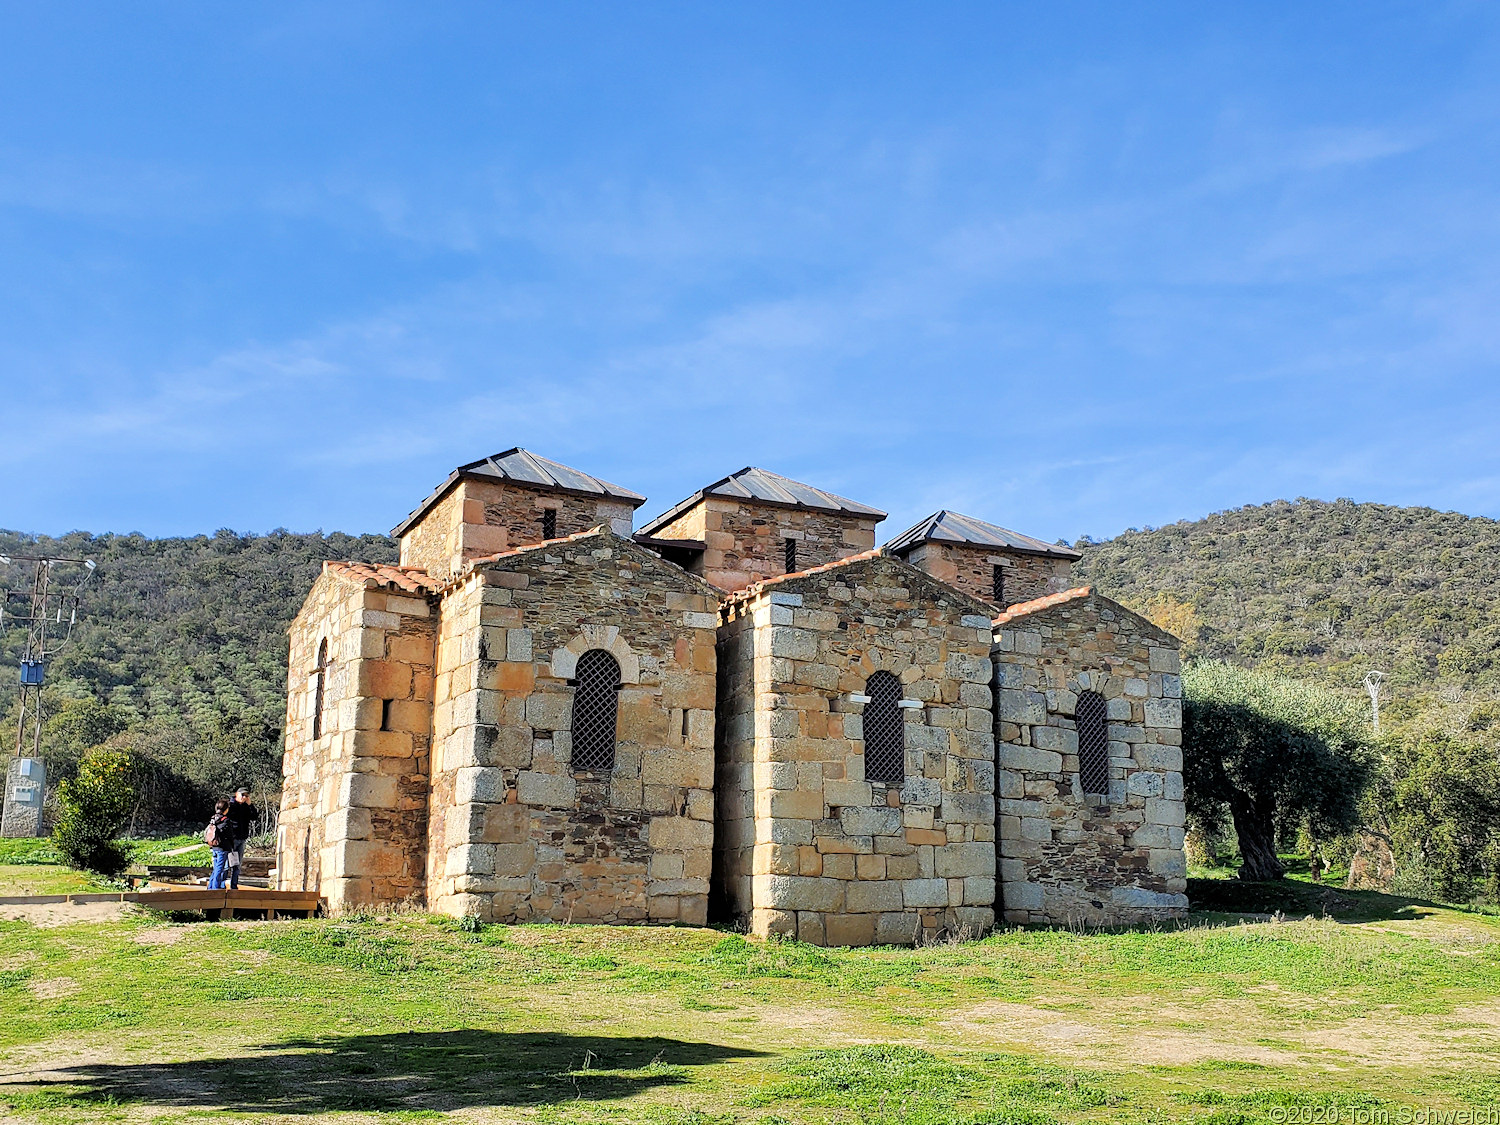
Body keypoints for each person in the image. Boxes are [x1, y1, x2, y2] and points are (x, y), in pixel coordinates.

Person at [225, 787, 256, 891]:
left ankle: (234, 885)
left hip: (242, 838)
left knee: (237, 864)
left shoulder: (246, 807)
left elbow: (254, 816)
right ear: (236, 794)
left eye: (246, 796)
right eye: (242, 795)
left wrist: (250, 805)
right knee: (227, 863)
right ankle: (221, 885)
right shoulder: (230, 805)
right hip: (232, 839)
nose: (244, 797)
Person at [205, 800, 233, 890]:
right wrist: (232, 846)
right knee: (219, 869)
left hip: (214, 846)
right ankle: (215, 888)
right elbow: (229, 835)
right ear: (225, 809)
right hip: (223, 848)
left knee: (216, 868)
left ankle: (210, 887)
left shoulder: (213, 819)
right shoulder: (225, 820)